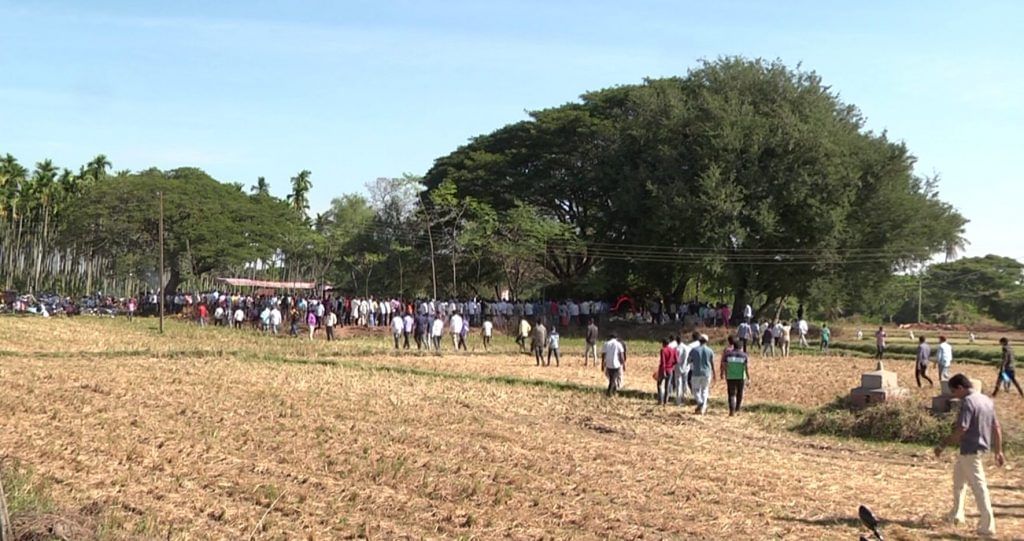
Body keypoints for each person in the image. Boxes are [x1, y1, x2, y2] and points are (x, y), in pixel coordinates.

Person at [934, 374, 1003, 538]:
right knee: (958, 481)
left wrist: (943, 445)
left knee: (979, 487)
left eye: (953, 391)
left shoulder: (968, 403)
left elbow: (962, 429)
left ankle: (987, 525)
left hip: (970, 451)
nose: (953, 395)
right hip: (978, 450)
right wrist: (998, 451)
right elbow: (997, 427)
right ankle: (957, 514)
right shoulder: (987, 400)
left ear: (960, 388)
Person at [721, 336, 750, 416]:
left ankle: (732, 410)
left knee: (731, 394)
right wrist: (748, 377)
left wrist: (723, 373)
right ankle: (738, 408)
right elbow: (746, 367)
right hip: (741, 377)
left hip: (730, 377)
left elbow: (724, 365)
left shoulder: (728, 355)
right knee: (740, 393)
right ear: (741, 347)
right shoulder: (744, 355)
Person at [687, 334, 714, 415]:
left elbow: (688, 361)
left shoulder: (694, 350)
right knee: (705, 390)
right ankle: (703, 407)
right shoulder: (710, 350)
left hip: (696, 372)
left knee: (695, 390)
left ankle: (700, 402)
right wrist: (714, 372)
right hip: (707, 373)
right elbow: (712, 363)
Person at [674, 332, 699, 405]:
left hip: (678, 367)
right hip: (686, 367)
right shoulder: (686, 347)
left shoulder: (676, 348)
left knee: (678, 384)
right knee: (685, 383)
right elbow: (688, 358)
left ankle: (678, 400)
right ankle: (685, 398)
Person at [655, 338, 678, 405]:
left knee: (659, 384)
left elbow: (663, 361)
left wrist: (663, 371)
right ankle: (666, 401)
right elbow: (676, 360)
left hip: (663, 370)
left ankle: (660, 400)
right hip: (670, 370)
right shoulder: (673, 350)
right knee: (667, 386)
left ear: (663, 343)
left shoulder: (663, 350)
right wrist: (671, 366)